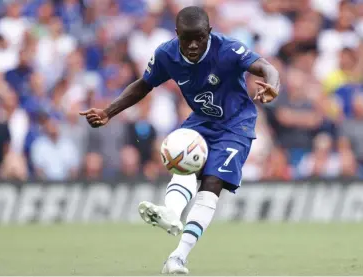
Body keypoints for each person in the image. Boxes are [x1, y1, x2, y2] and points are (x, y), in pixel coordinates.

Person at [79, 6, 279, 274]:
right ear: (177, 35)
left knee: (212, 181)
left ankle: (178, 256)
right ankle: (171, 213)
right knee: (182, 157)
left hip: (236, 124)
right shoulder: (167, 54)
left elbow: (265, 67)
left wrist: (273, 84)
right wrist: (108, 111)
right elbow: (144, 84)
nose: (193, 45)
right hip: (202, 120)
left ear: (209, 32)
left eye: (200, 38)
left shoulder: (228, 49)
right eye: (187, 39)